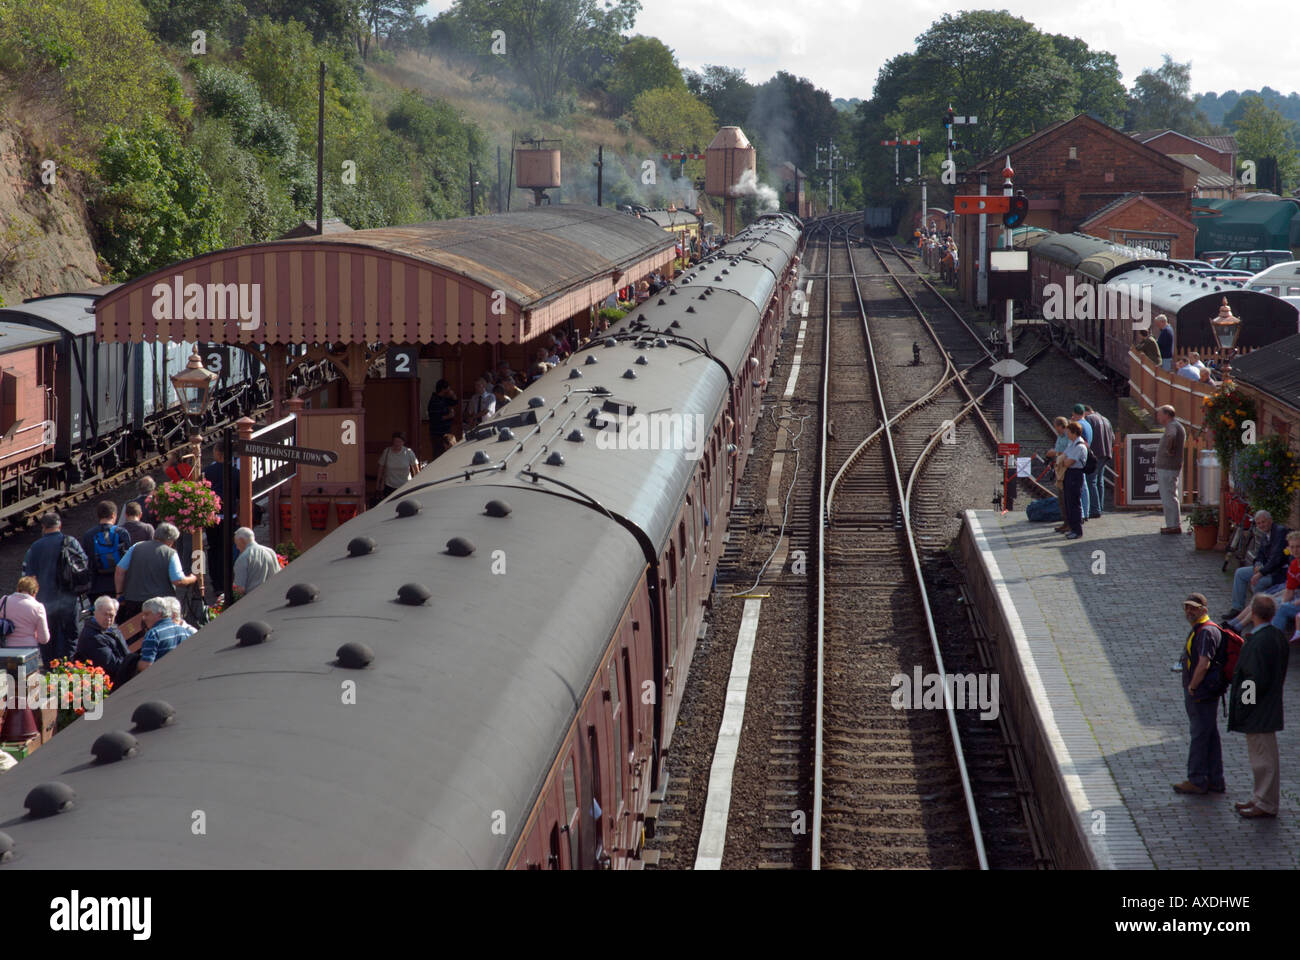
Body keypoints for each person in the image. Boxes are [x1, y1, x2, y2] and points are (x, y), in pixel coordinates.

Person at [1228, 593, 1289, 818]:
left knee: (1263, 759)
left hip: (1259, 710)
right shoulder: (1276, 637)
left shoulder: (1259, 642)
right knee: (1263, 757)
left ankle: (1265, 802)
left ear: (1253, 613)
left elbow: (1251, 679)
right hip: (1268, 706)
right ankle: (1259, 797)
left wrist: (1245, 706)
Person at [1174, 593, 1226, 795]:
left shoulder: (1205, 632)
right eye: (1187, 607)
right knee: (1209, 734)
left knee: (1199, 735)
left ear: (1204, 610)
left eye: (1194, 608)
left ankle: (1196, 779)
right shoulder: (1202, 629)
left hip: (1202, 693)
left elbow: (1204, 663)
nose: (1189, 611)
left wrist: (1193, 686)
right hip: (1206, 692)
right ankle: (1215, 779)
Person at [22, 512, 87, 665]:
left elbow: (29, 576)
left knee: (47, 636)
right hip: (69, 597)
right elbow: (84, 564)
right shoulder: (71, 542)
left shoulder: (35, 547)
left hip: (45, 600)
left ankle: (50, 666)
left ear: (43, 527)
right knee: (71, 634)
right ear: (60, 525)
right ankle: (68, 665)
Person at [114, 523, 196, 624]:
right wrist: (192, 579)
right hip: (159, 604)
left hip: (133, 600)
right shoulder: (170, 553)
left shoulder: (136, 547)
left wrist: (119, 594)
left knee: (134, 634)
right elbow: (178, 580)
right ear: (170, 540)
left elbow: (119, 570)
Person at [1224, 510, 1289, 620]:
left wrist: (1260, 573)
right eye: (1258, 523)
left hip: (1278, 573)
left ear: (1270, 521)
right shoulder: (1265, 534)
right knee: (1240, 573)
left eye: (1263, 522)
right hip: (1266, 569)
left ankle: (1256, 613)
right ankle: (1237, 608)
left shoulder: (1280, 532)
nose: (1261, 525)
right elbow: (1260, 554)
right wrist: (1257, 565)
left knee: (1259, 582)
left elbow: (1277, 560)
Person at [73, 595, 136, 689]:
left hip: (122, 673)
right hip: (106, 683)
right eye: (105, 614)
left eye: (111, 616)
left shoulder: (112, 628)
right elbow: (111, 665)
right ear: (95, 613)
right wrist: (134, 665)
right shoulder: (92, 636)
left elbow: (125, 652)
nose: (108, 619)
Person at [203, 443, 238, 598]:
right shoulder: (236, 472)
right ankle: (229, 581)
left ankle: (217, 584)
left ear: (218, 453)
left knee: (214, 550)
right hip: (230, 517)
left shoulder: (207, 471)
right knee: (229, 549)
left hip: (212, 518)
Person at [80, 501, 132, 604]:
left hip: (96, 587)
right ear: (113, 515)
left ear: (98, 516)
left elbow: (85, 562)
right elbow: (128, 560)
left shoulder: (88, 535)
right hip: (118, 587)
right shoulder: (122, 533)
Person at [136, 596, 196, 673]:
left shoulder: (153, 634)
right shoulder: (184, 631)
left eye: (147, 614)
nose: (144, 618)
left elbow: (146, 666)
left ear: (159, 614)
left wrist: (136, 663)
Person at [1154, 405, 1184, 535]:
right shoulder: (1175, 425)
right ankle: (1172, 524)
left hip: (1167, 467)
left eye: (1159, 414)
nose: (1158, 417)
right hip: (1169, 467)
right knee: (1170, 495)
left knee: (1168, 497)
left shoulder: (1172, 426)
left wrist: (1169, 449)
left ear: (1167, 415)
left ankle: (1173, 525)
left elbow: (1171, 436)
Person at [1080, 404, 1114, 519]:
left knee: (1091, 481)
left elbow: (1088, 436)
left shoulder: (1089, 419)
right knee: (1099, 481)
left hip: (1096, 453)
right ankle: (1100, 506)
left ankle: (1094, 509)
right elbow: (1113, 438)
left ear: (1086, 412)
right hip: (1106, 453)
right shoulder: (1105, 419)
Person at [1, 576, 50, 650]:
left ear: (18, 588)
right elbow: (44, 639)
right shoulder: (38, 607)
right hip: (29, 650)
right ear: (34, 592)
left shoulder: (4, 600)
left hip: (5, 647)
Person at [232, 528, 282, 599]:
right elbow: (278, 575)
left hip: (252, 600)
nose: (237, 547)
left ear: (242, 540)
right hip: (272, 596)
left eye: (236, 543)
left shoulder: (243, 558)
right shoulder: (270, 552)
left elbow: (239, 589)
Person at [1059, 421, 1087, 540]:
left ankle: (1077, 530)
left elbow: (1067, 461)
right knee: (1069, 503)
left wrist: (1063, 461)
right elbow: (1063, 456)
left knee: (1074, 503)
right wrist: (1063, 459)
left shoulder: (1079, 446)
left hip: (1075, 475)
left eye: (1069, 432)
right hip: (1069, 474)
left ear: (1074, 433)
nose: (1067, 435)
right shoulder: (1072, 444)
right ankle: (1072, 528)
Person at [1067, 407, 1093, 519]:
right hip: (1084, 458)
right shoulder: (1088, 424)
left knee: (1080, 490)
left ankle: (1082, 515)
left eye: (1073, 415)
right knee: (1085, 487)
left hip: (1078, 462)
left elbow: (1069, 459)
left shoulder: (1078, 425)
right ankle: (1086, 513)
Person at [377, 432, 420, 498]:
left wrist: (416, 484)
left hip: (405, 486)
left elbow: (416, 470)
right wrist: (378, 484)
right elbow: (380, 468)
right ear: (393, 442)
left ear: (403, 442)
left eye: (400, 441)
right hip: (389, 486)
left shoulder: (409, 452)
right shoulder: (387, 451)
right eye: (395, 441)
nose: (397, 444)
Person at [427, 379, 457, 458]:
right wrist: (449, 416)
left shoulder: (443, 399)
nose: (449, 390)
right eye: (448, 388)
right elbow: (435, 418)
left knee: (448, 455)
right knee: (439, 455)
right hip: (438, 434)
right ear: (443, 389)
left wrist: (452, 394)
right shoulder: (434, 401)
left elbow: (454, 402)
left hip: (446, 432)